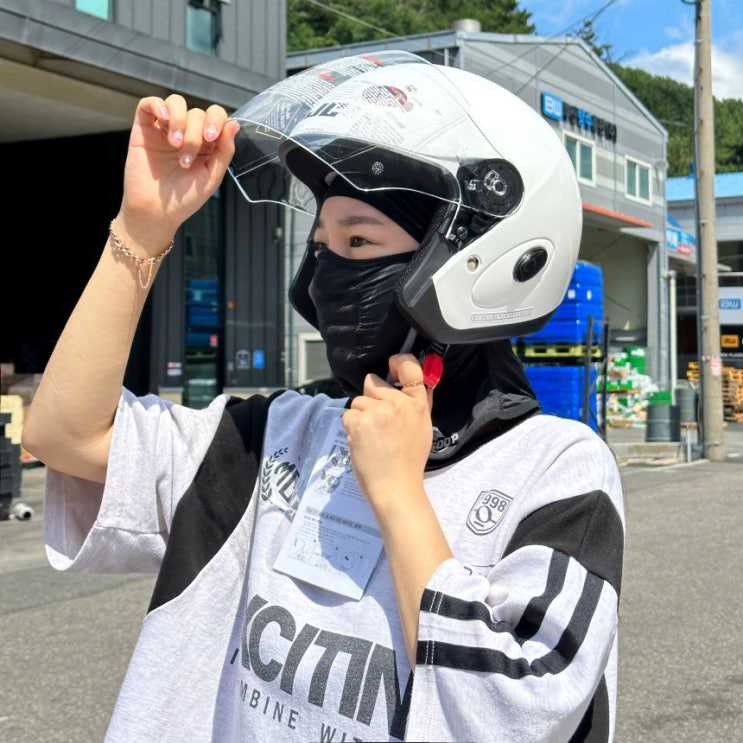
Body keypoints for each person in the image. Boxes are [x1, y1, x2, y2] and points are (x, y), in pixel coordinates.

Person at [23, 51, 625, 742]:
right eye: (321, 245)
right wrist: (142, 229)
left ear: (479, 259)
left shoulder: (553, 468)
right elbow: (65, 435)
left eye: (358, 240)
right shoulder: (274, 434)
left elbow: (515, 711)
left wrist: (398, 493)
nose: (324, 274)